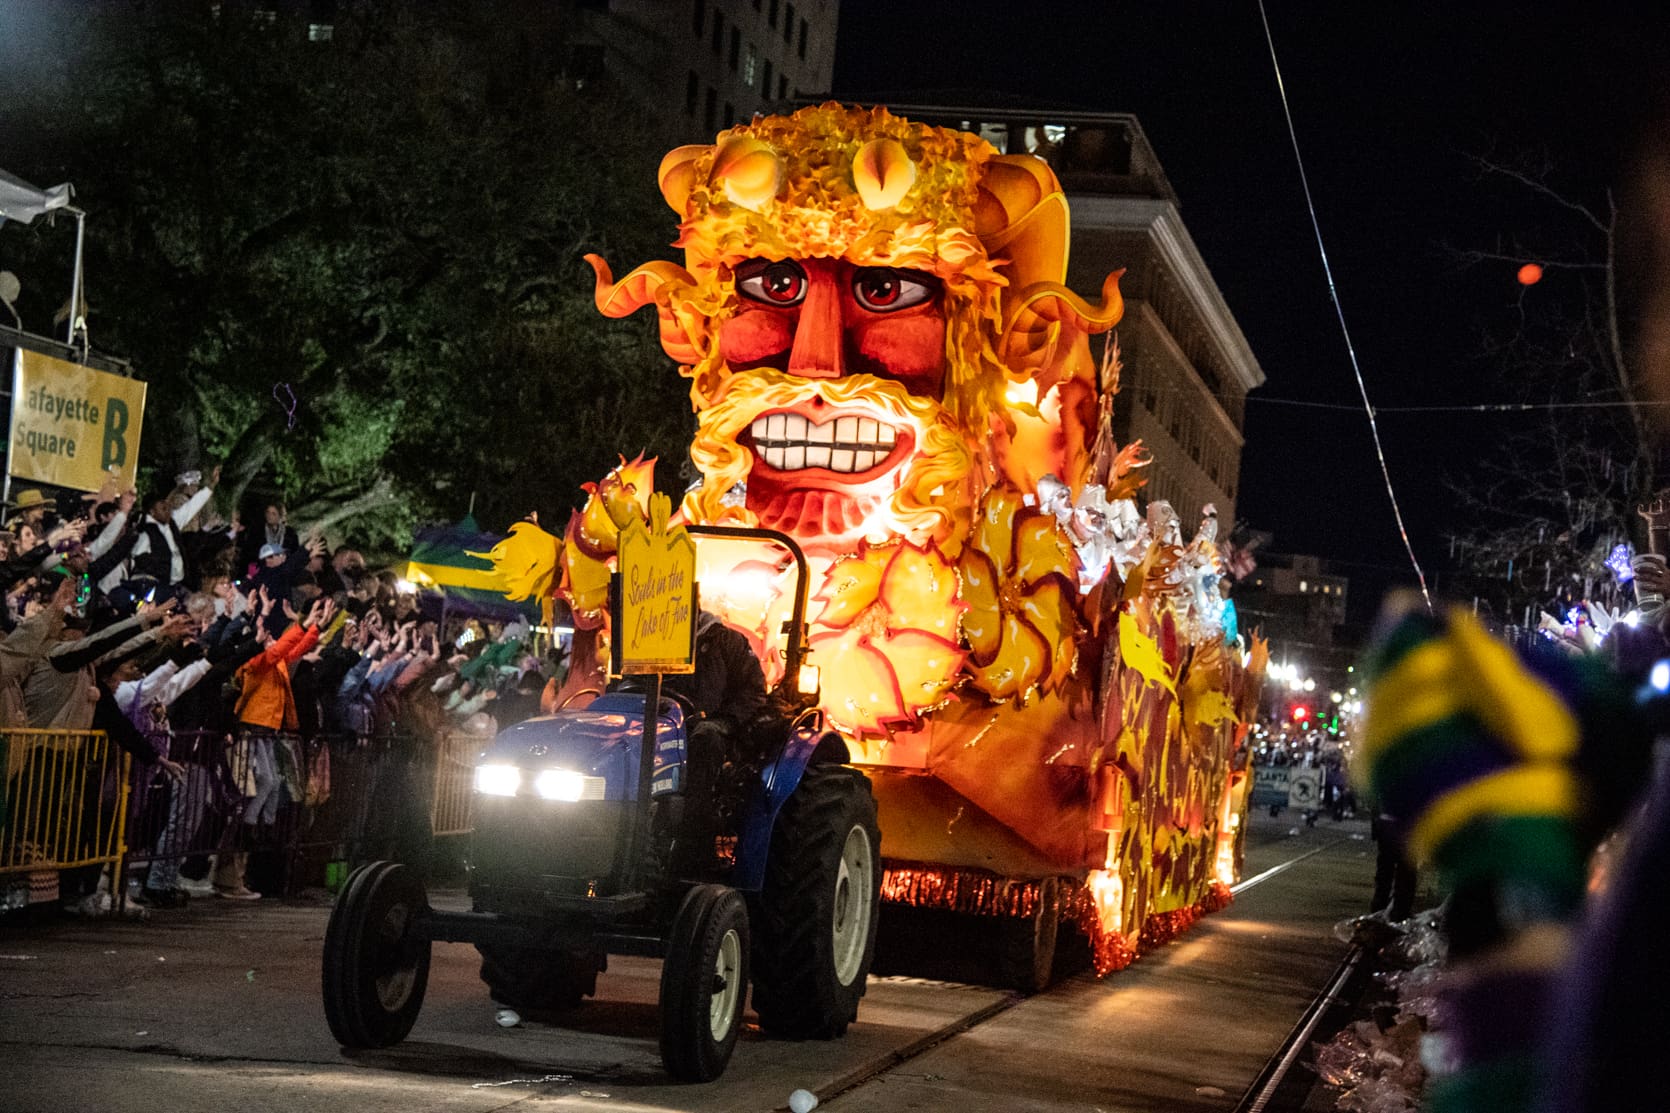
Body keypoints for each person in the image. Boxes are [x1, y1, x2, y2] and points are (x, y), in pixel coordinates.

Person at [659, 610, 776, 875]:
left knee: (705, 737)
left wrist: (727, 719)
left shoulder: (728, 642)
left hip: (717, 724)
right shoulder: (650, 644)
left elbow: (754, 691)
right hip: (664, 720)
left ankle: (694, 840)